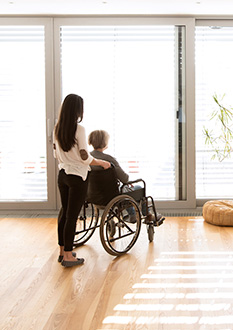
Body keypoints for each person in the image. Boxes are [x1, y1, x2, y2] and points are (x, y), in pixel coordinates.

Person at [53, 94, 110, 267]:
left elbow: (56, 153)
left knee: (64, 213)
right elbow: (85, 157)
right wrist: (101, 162)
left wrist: (68, 160)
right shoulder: (79, 129)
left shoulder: (57, 128)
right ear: (78, 110)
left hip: (63, 174)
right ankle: (69, 257)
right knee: (72, 216)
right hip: (78, 176)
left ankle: (63, 251)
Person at [87, 129, 160, 224]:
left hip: (92, 196)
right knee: (138, 187)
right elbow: (125, 179)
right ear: (104, 143)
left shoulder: (87, 159)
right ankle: (147, 215)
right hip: (111, 197)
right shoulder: (109, 159)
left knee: (125, 189)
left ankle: (132, 214)